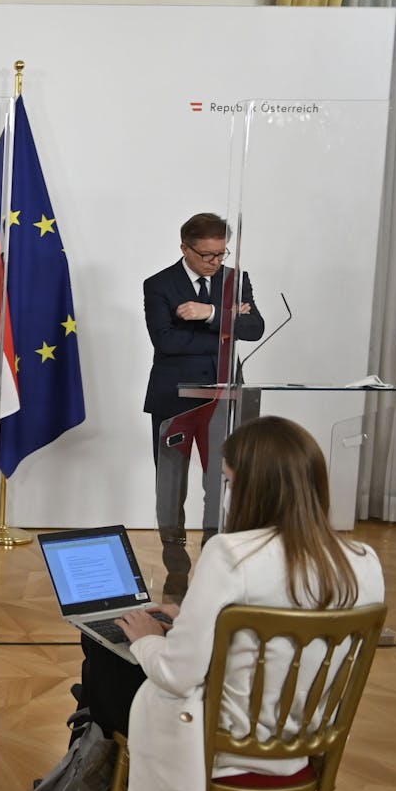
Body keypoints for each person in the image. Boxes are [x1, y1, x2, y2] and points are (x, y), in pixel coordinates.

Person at [85, 416, 383, 791]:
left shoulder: (230, 554)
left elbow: (178, 674)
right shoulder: (364, 561)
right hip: (309, 738)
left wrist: (148, 639)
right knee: (109, 671)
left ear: (254, 488)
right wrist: (189, 616)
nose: (226, 493)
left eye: (228, 481)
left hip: (223, 742)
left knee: (104, 651)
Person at [142, 212, 264, 596]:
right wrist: (228, 325)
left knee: (221, 482)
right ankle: (175, 569)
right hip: (174, 398)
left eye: (221, 254)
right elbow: (166, 342)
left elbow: (256, 328)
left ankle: (213, 565)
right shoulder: (160, 284)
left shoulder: (235, 279)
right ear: (185, 248)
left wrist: (207, 313)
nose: (216, 262)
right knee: (171, 485)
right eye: (208, 255)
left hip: (224, 396)